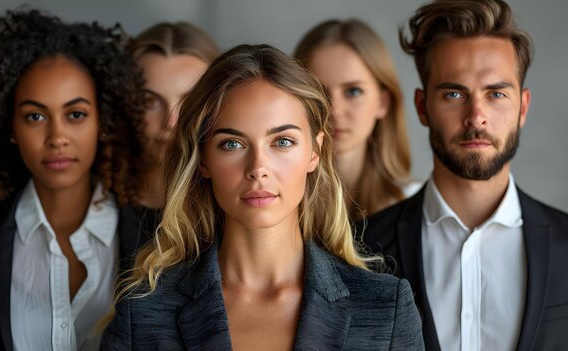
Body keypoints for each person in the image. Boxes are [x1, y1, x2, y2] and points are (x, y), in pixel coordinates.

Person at [101, 44, 424, 350]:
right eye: (232, 144)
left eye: (282, 142)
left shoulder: (386, 307)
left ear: (315, 151)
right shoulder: (143, 313)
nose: (258, 168)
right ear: (203, 160)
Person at [361, 0, 568, 350]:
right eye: (454, 94)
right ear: (423, 107)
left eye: (496, 93)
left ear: (523, 107)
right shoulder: (361, 250)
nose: (476, 116)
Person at [0, 10, 150, 350]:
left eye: (76, 114)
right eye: (35, 116)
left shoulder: (156, 238)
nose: (57, 137)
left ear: (103, 121)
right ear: (11, 127)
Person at [295, 19, 420, 218]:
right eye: (318, 92)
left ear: (383, 102)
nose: (334, 111)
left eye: (353, 91)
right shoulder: (276, 203)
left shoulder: (414, 206)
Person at [128, 22, 220, 209]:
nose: (171, 122)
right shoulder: (94, 203)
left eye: (189, 101)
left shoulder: (239, 207)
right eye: (149, 102)